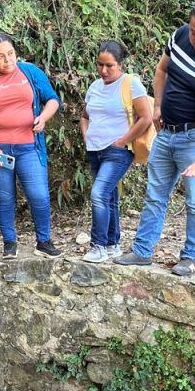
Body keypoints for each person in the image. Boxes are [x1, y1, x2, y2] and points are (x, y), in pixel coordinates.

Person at [114, 0, 195, 276]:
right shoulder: (181, 35)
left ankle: (191, 256)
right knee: (155, 195)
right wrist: (157, 106)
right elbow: (162, 69)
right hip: (166, 131)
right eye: (194, 32)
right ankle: (142, 251)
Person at [0, 32, 63, 259]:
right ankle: (9, 243)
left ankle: (44, 241)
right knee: (5, 197)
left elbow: (52, 99)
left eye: (10, 54)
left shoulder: (30, 73)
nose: (7, 60)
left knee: (38, 194)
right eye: (0, 56)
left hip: (29, 147)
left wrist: (43, 117)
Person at [79, 40, 152, 263]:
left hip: (118, 150)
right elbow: (85, 116)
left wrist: (122, 141)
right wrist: (86, 135)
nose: (103, 70)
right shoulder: (94, 86)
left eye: (109, 65)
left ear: (120, 64)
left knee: (99, 194)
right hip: (95, 149)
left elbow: (146, 117)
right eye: (100, 64)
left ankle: (98, 245)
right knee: (108, 196)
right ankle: (112, 244)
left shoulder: (131, 84)